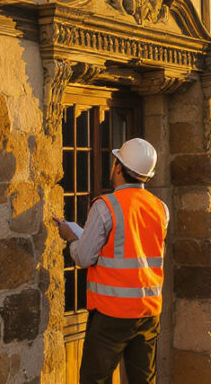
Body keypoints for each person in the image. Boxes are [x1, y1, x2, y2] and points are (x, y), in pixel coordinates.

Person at [54, 137, 169, 384]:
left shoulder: (106, 206)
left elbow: (84, 257)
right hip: (149, 311)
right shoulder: (160, 207)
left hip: (112, 313)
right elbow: (134, 248)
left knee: (95, 379)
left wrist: (71, 237)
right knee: (143, 380)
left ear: (118, 167)